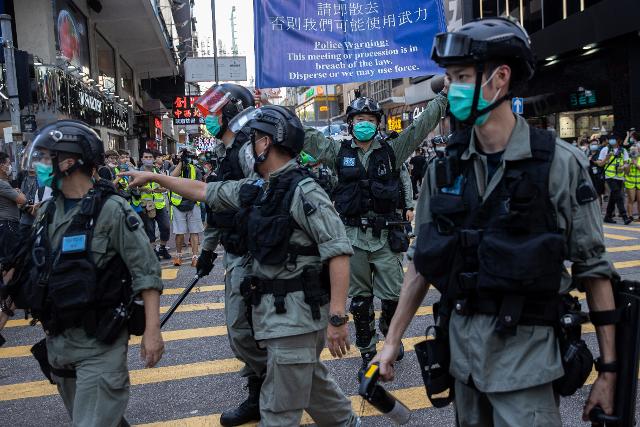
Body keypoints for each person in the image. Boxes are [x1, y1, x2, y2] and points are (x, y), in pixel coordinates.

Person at [374, 17, 617, 426]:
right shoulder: (443, 170)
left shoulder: (559, 164)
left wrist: (609, 373)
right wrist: (392, 339)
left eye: (463, 76)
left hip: (528, 364)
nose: (451, 89)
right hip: (463, 365)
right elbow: (422, 263)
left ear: (500, 78)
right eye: (449, 78)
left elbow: (594, 271)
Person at [121, 105, 360, 427]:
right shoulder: (260, 188)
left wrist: (337, 318)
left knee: (277, 411)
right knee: (318, 392)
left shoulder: (305, 191)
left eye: (256, 138)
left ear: (267, 144)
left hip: (298, 319)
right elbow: (205, 191)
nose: (250, 146)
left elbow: (339, 252)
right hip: (275, 317)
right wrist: (153, 176)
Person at [2, 120, 164, 426]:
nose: (38, 165)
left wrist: (152, 332)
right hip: (59, 346)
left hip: (100, 344)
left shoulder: (112, 210)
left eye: (46, 157)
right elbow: (27, 271)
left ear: (69, 162)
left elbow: (146, 272)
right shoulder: (48, 212)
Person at [302, 92, 448, 374]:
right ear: (350, 123)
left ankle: (390, 332)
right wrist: (269, 115)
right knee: (360, 300)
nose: (364, 124)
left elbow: (420, 127)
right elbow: (307, 137)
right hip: (352, 237)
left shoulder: (393, 150)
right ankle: (368, 351)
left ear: (378, 124)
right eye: (359, 119)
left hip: (385, 238)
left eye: (370, 120)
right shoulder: (336, 152)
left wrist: (441, 98)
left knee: (393, 297)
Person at [194, 83, 265, 426]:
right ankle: (260, 392)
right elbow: (217, 207)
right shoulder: (225, 155)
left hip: (258, 254)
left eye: (213, 113)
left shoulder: (248, 151)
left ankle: (274, 385)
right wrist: (207, 251)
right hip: (235, 252)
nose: (208, 119)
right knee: (243, 331)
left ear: (231, 112)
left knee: (245, 330)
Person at [169, 149, 204, 266]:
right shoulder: (173, 169)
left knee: (194, 232)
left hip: (193, 204)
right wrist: (180, 163)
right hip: (178, 205)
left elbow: (199, 185)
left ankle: (195, 257)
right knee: (179, 233)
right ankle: (178, 256)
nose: (186, 159)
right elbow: (172, 178)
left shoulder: (196, 170)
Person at [139, 149, 172, 260]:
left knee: (166, 227)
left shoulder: (158, 171)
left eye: (150, 157)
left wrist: (159, 189)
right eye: (146, 157)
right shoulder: (138, 172)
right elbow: (132, 187)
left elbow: (166, 186)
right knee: (150, 229)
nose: (148, 159)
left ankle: (162, 248)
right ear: (142, 159)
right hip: (146, 206)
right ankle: (153, 252)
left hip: (160, 205)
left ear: (153, 159)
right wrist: (144, 189)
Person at [597, 133, 632, 224]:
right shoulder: (605, 149)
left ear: (618, 140)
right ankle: (624, 216)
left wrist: (623, 167)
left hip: (619, 177)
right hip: (609, 176)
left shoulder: (623, 150)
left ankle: (608, 216)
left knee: (613, 196)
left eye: (614, 139)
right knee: (618, 195)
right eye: (610, 139)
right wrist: (606, 158)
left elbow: (627, 163)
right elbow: (600, 164)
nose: (612, 140)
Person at [0, 152, 25, 263]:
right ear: (1, 166)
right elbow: (22, 200)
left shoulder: (4, 183)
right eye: (8, 163)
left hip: (5, 224)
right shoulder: (2, 184)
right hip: (8, 225)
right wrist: (20, 193)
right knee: (12, 259)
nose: (10, 167)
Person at [588, 137, 606, 205]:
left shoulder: (600, 153)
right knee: (591, 194)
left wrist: (592, 160)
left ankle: (599, 210)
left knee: (598, 193)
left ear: (598, 145)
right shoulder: (587, 153)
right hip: (589, 176)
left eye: (595, 144)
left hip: (598, 176)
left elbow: (601, 163)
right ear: (590, 145)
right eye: (592, 144)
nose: (594, 145)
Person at [624, 145, 640, 220]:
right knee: (631, 199)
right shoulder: (627, 160)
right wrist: (630, 164)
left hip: (639, 183)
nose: (633, 152)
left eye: (635, 150)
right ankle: (630, 216)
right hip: (630, 183)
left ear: (638, 151)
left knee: (639, 200)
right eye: (632, 150)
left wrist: (636, 164)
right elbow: (626, 172)